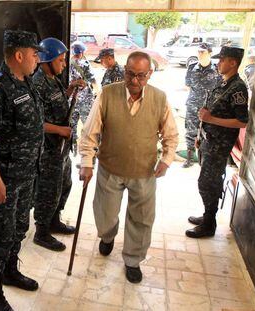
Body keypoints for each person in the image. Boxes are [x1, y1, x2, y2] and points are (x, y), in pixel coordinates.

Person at [79, 51, 179, 283]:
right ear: (124, 70)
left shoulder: (160, 98)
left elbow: (171, 135)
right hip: (110, 168)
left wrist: (166, 159)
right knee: (104, 214)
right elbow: (90, 132)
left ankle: (133, 260)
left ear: (150, 74)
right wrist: (86, 161)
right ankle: (107, 236)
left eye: (141, 76)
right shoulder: (107, 93)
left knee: (141, 219)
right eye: (130, 74)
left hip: (144, 172)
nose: (134, 81)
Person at [0, 30, 45, 311]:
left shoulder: (25, 82)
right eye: (34, 53)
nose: (37, 58)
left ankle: (10, 272)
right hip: (3, 177)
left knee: (18, 228)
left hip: (25, 174)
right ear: (19, 55)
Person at [186, 46, 249, 238]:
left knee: (209, 183)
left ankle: (209, 224)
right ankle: (207, 216)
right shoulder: (222, 83)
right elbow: (208, 112)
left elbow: (242, 121)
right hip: (208, 141)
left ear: (233, 62)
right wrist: (200, 135)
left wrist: (212, 120)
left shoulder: (238, 87)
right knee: (206, 182)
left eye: (222, 60)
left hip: (219, 145)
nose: (218, 63)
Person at [32, 38, 85, 251]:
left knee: (64, 185)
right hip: (48, 149)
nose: (64, 64)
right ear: (47, 60)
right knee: (48, 190)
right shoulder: (37, 84)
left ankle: (54, 220)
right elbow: (35, 121)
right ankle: (41, 231)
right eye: (61, 60)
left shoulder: (52, 79)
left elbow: (59, 102)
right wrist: (60, 130)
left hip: (61, 149)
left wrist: (71, 89)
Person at [183, 43, 221, 168]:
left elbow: (221, 88)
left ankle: (205, 160)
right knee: (190, 132)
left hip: (209, 108)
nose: (200, 54)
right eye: (198, 52)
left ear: (210, 53)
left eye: (203, 52)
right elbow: (187, 85)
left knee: (209, 133)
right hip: (193, 105)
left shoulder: (217, 68)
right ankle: (189, 159)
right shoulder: (192, 67)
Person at [69, 41, 97, 156]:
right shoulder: (85, 64)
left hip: (72, 100)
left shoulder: (67, 63)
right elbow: (93, 80)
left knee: (72, 125)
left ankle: (73, 150)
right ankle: (89, 153)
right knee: (88, 126)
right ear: (81, 52)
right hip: (85, 100)